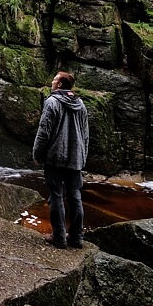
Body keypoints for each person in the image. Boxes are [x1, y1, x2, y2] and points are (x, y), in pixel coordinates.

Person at [32, 71, 89, 249]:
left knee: (56, 196)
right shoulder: (80, 104)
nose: (52, 81)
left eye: (54, 79)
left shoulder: (52, 102)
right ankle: (77, 238)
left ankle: (59, 237)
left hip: (56, 157)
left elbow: (44, 131)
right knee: (75, 197)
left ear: (60, 85)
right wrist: (82, 156)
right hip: (75, 158)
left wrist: (37, 154)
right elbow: (85, 134)